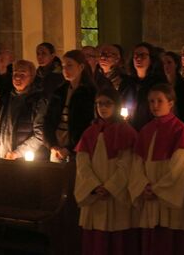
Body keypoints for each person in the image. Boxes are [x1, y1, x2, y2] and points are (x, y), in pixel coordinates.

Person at [129, 83, 184, 255]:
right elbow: (137, 164)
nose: (155, 105)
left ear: (171, 103)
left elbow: (181, 168)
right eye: (151, 101)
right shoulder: (146, 130)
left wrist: (157, 190)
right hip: (150, 193)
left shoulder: (180, 130)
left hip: (169, 197)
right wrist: (143, 186)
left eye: (160, 101)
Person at [75, 88, 138, 255]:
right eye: (99, 104)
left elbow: (127, 164)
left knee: (117, 240)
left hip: (116, 195)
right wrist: (94, 186)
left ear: (116, 105)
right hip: (95, 194)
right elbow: (82, 163)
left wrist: (110, 187)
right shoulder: (90, 132)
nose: (103, 107)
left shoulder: (126, 131)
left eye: (107, 103)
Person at [44, 50, 96, 162]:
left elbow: (87, 124)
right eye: (63, 66)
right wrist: (52, 144)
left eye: (69, 65)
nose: (65, 70)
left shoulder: (89, 93)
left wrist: (70, 148)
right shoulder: (59, 92)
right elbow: (49, 119)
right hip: (57, 147)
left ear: (81, 67)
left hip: (78, 149)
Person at [0, 60, 48, 160]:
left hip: (24, 160)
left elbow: (40, 134)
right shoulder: (6, 98)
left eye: (23, 74)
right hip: (3, 156)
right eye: (15, 73)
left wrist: (18, 153)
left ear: (31, 77)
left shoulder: (37, 100)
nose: (17, 77)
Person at [129, 42, 166, 130]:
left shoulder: (159, 83)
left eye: (143, 55)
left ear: (151, 59)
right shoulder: (128, 83)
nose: (138, 58)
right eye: (136, 55)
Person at [98, 44, 136, 118]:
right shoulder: (95, 78)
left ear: (118, 59)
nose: (103, 58)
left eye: (109, 55)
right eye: (102, 54)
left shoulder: (125, 82)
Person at [161, 51, 184, 124]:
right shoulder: (160, 84)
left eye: (169, 62)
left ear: (176, 64)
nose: (166, 65)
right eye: (163, 63)